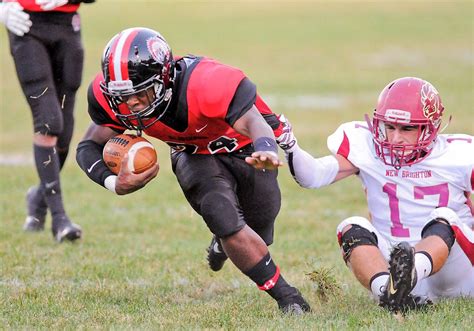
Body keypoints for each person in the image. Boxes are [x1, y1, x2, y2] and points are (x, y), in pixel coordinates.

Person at [75, 27, 311, 314]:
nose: (131, 104)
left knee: (260, 223)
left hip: (246, 149)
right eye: (123, 96)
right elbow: (87, 146)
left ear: (164, 79)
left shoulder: (207, 83)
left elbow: (254, 122)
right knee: (222, 214)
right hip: (193, 154)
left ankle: (223, 245)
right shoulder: (109, 96)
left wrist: (265, 148)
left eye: (141, 93)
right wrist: (113, 182)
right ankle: (288, 297)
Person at [277, 77, 474, 313]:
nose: (395, 138)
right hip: (392, 261)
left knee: (445, 217)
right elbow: (313, 176)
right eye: (389, 127)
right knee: (351, 226)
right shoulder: (368, 149)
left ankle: (409, 273)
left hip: (453, 274)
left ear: (431, 127)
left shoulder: (459, 154)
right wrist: (291, 147)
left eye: (407, 128)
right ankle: (390, 294)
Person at [1, 0, 95, 242]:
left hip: (66, 25)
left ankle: (39, 198)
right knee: (49, 121)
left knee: (64, 132)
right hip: (25, 24)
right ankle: (60, 219)